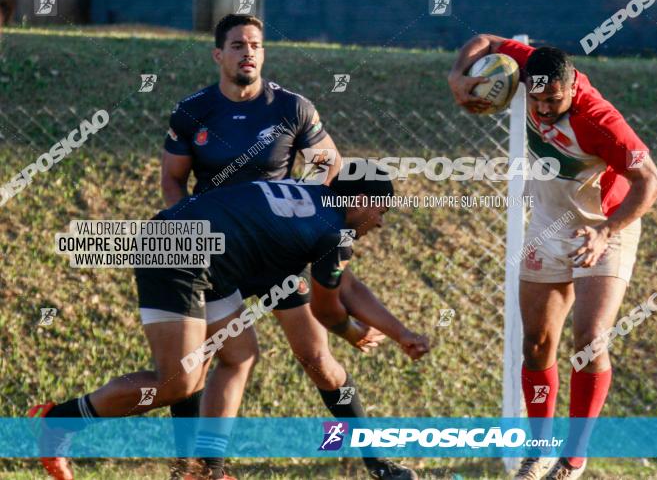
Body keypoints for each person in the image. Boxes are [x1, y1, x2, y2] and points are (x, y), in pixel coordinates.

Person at [29, 163, 431, 480]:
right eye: (382, 210)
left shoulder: (309, 195)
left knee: (239, 354)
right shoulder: (334, 231)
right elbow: (327, 311)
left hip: (202, 249)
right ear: (360, 199)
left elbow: (347, 286)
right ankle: (57, 421)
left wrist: (401, 334)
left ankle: (206, 471)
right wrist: (353, 331)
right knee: (178, 382)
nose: (379, 222)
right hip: (182, 251)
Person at [159, 14, 415, 479]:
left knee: (316, 356)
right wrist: (188, 237)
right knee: (202, 357)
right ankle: (196, 467)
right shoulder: (192, 111)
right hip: (218, 254)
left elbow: (329, 166)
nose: (248, 53)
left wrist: (300, 209)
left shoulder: (291, 108)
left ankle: (377, 462)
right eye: (237, 45)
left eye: (255, 44)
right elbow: (173, 183)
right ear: (219, 55)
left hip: (277, 253)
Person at [448, 34, 657, 479]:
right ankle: (538, 450)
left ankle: (572, 459)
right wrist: (457, 75)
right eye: (537, 98)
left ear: (571, 87)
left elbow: (652, 182)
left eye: (554, 99)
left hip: (603, 226)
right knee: (536, 345)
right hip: (548, 223)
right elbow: (486, 41)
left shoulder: (600, 120)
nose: (544, 108)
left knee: (588, 339)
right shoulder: (531, 66)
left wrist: (607, 231)